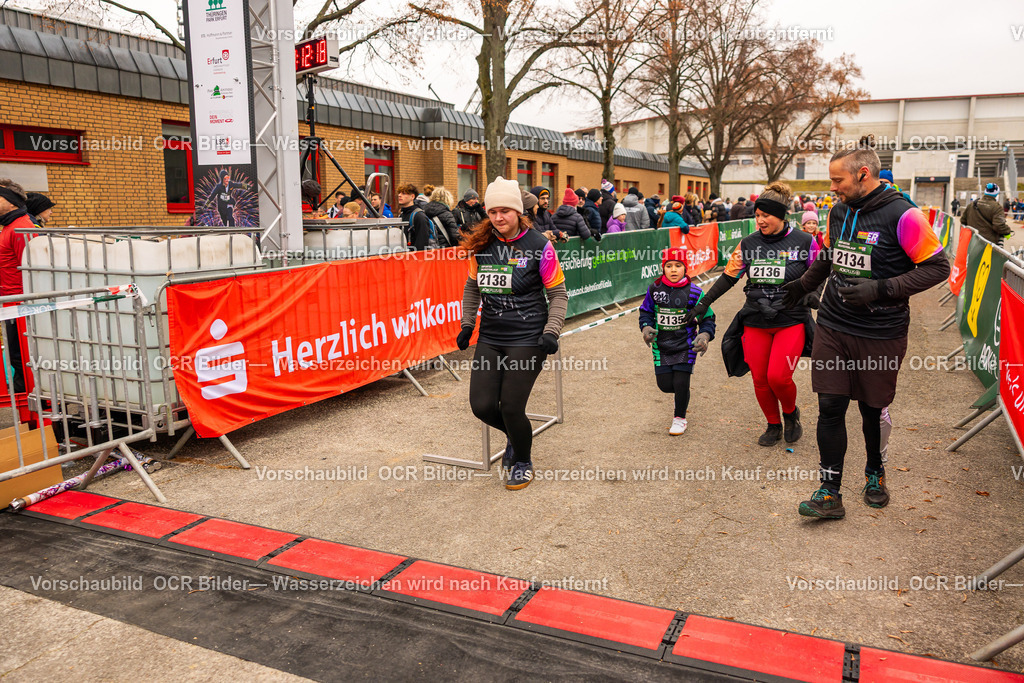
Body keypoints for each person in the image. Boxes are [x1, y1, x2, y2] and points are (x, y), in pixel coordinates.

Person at [781, 136, 950, 520]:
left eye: (838, 180)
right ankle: (829, 490)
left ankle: (875, 472)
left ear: (863, 174)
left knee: (872, 410)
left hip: (881, 331)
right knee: (830, 405)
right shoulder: (839, 211)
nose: (832, 187)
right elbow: (829, 253)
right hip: (834, 324)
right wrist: (802, 286)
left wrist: (882, 288)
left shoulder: (904, 215)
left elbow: (939, 267)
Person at [683, 181, 818, 447]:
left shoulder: (805, 241)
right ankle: (773, 424)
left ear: (781, 215)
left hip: (790, 318)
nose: (760, 220)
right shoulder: (748, 244)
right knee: (759, 378)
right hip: (756, 318)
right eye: (757, 215)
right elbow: (727, 278)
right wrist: (702, 304)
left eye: (765, 215)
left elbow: (820, 271)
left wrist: (815, 293)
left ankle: (791, 415)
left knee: (778, 376)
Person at [455, 177, 568, 490]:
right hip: (492, 336)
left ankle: (522, 460)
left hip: (529, 336)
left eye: (505, 210)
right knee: (481, 405)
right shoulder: (481, 245)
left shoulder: (538, 246)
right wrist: (467, 324)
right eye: (493, 211)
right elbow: (471, 288)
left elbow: (558, 294)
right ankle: (515, 435)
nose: (498, 217)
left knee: (511, 406)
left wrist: (551, 331)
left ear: (519, 212)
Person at [639, 246, 716, 435]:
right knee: (665, 385)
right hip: (661, 346)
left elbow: (708, 318)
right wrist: (646, 327)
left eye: (678, 265)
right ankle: (682, 395)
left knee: (681, 382)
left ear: (686, 268)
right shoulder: (654, 289)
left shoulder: (696, 292)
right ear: (663, 268)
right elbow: (645, 312)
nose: (673, 270)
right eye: (669, 265)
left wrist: (704, 335)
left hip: (686, 345)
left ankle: (679, 418)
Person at [0, 179, 34, 392]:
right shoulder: (9, 226)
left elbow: (31, 269)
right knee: (16, 354)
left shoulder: (21, 227)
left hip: (19, 304)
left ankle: (28, 402)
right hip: (10, 303)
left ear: (11, 202)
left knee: (21, 355)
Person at [397, 183, 434, 250]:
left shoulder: (419, 216)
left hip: (415, 257)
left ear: (412, 197)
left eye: (403, 193)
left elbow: (422, 243)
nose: (399, 195)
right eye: (399, 193)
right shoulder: (401, 215)